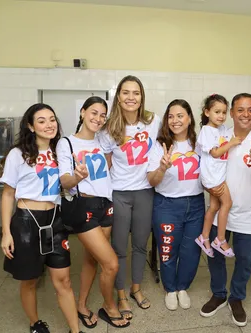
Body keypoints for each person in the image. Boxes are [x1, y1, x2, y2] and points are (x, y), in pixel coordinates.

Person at [0, 104, 84, 333]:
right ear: (31, 125)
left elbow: (67, 185)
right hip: (27, 222)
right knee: (29, 280)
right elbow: (8, 194)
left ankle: (75, 330)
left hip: (55, 220)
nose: (49, 125)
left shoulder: (61, 152)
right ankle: (34, 323)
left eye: (52, 119)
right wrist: (6, 232)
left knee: (63, 280)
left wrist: (77, 177)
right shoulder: (18, 154)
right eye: (42, 120)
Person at [199, 93, 251, 327]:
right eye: (240, 110)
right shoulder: (220, 134)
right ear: (231, 113)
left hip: (248, 214)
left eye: (250, 110)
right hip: (219, 211)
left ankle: (237, 297)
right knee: (216, 257)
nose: (246, 114)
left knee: (244, 261)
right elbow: (206, 158)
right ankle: (219, 293)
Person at [56, 96, 129, 328]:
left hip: (106, 205)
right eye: (93, 112)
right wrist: (77, 177)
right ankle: (109, 306)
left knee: (92, 259)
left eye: (102, 115)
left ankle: (81, 304)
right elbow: (65, 181)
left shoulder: (103, 140)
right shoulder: (66, 143)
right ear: (82, 112)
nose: (98, 118)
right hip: (84, 207)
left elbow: (110, 162)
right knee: (111, 264)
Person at [98, 75, 161, 319]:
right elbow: (106, 166)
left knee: (140, 245)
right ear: (119, 97)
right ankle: (121, 294)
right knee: (119, 247)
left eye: (136, 93)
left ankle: (136, 288)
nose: (131, 97)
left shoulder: (152, 121)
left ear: (142, 97)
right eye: (126, 92)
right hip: (119, 193)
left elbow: (178, 130)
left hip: (145, 191)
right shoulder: (109, 128)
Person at [147, 99, 205, 310]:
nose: (175, 120)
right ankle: (170, 288)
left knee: (191, 251)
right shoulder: (159, 145)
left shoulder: (200, 143)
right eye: (171, 116)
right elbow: (152, 181)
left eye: (180, 115)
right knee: (168, 249)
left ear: (189, 118)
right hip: (167, 206)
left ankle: (183, 287)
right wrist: (162, 167)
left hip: (196, 204)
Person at [195, 94, 241, 258]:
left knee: (214, 207)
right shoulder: (207, 131)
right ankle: (220, 240)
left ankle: (204, 236)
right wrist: (231, 144)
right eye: (217, 112)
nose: (221, 116)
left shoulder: (221, 129)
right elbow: (215, 153)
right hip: (213, 178)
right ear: (207, 112)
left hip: (218, 176)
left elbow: (232, 132)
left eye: (223, 112)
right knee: (227, 203)